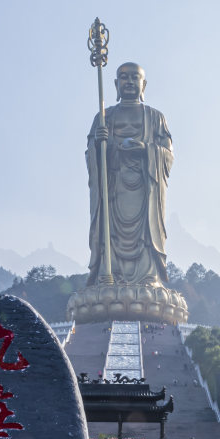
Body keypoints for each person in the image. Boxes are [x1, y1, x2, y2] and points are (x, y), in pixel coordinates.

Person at [85, 62, 174, 286]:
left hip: (145, 194)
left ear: (144, 84)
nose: (130, 82)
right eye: (124, 78)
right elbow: (91, 156)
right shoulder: (104, 118)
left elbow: (168, 156)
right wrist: (100, 145)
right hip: (114, 190)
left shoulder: (155, 118)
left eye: (135, 78)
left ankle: (148, 277)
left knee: (145, 236)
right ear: (116, 84)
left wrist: (146, 150)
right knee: (109, 234)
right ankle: (111, 275)